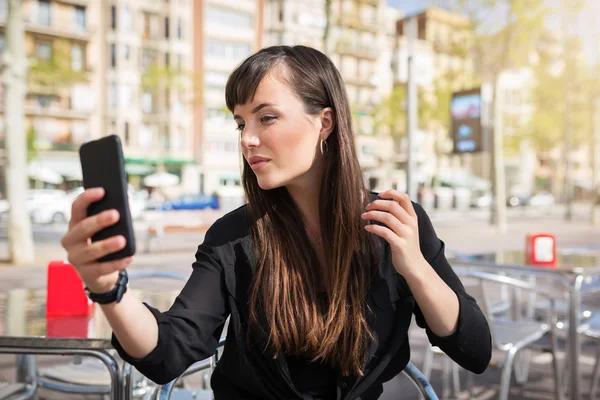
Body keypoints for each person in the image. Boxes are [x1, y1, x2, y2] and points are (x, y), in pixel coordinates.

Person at [61, 45, 492, 400]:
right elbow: (168, 354)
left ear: (324, 122)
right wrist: (108, 288)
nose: (248, 138)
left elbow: (474, 349)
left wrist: (414, 266)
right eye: (240, 122)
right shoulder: (234, 236)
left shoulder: (396, 223)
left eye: (266, 118)